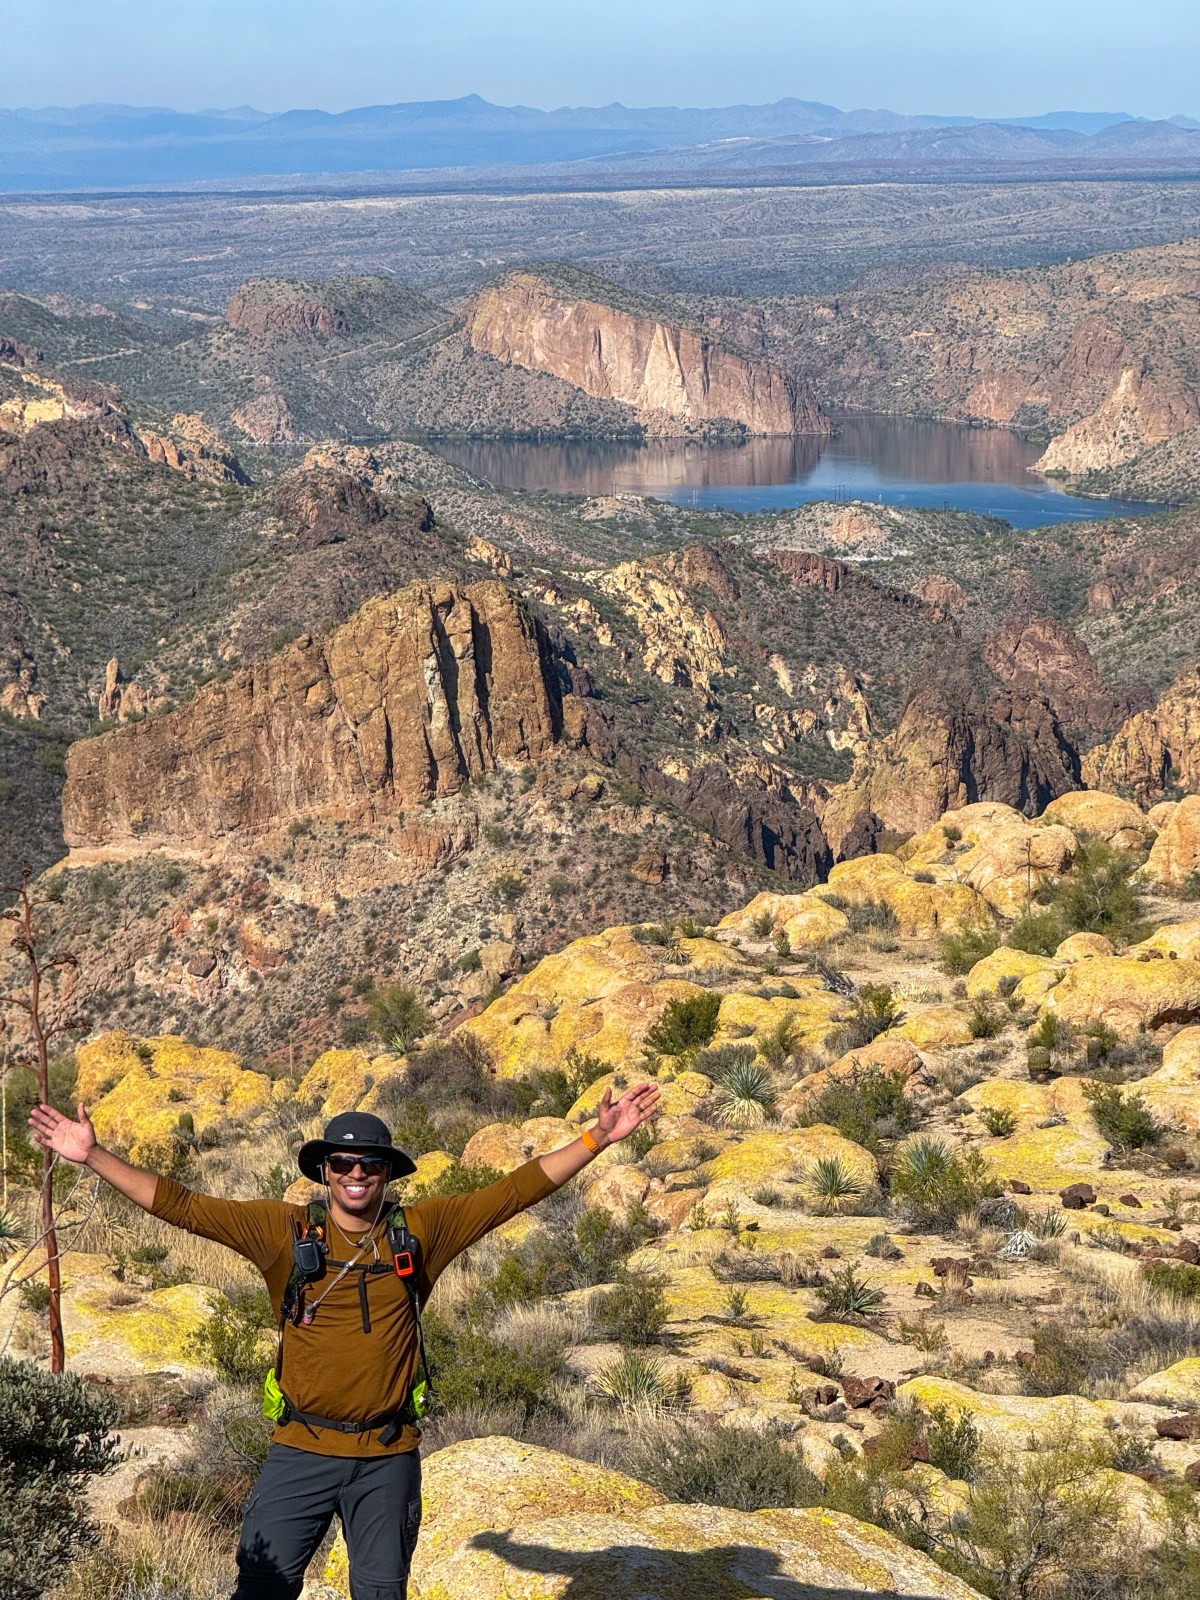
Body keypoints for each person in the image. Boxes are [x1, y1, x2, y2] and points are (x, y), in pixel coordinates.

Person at [30, 1078, 660, 1600]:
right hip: (300, 1451)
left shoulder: (423, 1231)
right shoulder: (282, 1232)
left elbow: (515, 1192)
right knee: (262, 1588)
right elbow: (182, 1205)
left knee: (381, 1594)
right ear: (324, 1171)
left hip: (387, 1456)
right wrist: (93, 1155)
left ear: (387, 1172)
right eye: (343, 1163)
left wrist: (598, 1137)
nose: (356, 1174)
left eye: (370, 1164)